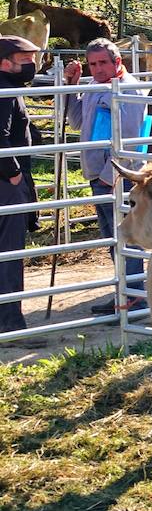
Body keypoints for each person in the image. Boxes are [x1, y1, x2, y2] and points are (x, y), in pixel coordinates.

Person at [63, 39, 149, 314]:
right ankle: (125, 293)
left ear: (117, 62)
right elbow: (76, 121)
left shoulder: (129, 90)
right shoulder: (93, 86)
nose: (97, 68)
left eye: (102, 63)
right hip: (98, 174)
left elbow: (131, 139)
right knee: (113, 238)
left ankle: (134, 296)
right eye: (93, 64)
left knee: (125, 236)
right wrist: (71, 87)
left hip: (116, 177)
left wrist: (108, 177)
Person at [0, 35, 41, 333]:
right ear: (5, 62)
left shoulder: (10, 89)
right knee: (9, 250)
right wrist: (13, 173)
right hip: (5, 183)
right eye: (25, 59)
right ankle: (11, 321)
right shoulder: (4, 91)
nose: (32, 65)